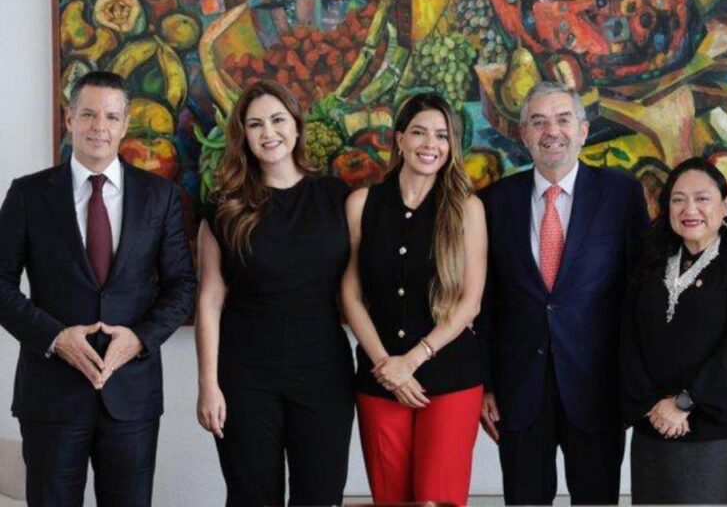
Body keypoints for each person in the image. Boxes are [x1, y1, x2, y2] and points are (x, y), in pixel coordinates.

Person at [0, 71, 196, 506]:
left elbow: (182, 285)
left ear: (125, 124)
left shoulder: (159, 196)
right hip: (51, 396)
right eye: (88, 114)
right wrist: (55, 338)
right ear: (70, 119)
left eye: (111, 117)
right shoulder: (28, 195)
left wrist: (140, 339)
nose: (99, 127)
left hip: (132, 397)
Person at [478, 81, 649, 505]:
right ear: (524, 134)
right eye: (538, 122)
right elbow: (485, 302)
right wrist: (485, 385)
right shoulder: (494, 202)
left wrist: (632, 385)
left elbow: (638, 295)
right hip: (519, 391)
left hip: (598, 389)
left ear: (583, 130)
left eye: (562, 119)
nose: (551, 131)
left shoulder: (621, 195)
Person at [194, 80, 354, 506]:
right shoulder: (225, 205)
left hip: (324, 374)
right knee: (252, 498)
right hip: (245, 377)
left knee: (320, 498)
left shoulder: (335, 196)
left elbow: (355, 289)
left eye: (278, 119)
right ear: (243, 135)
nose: (269, 132)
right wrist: (208, 384)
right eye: (255, 124)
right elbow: (209, 300)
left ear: (297, 126)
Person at [340, 93, 487, 504]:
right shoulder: (362, 204)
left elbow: (470, 302)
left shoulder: (467, 209)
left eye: (442, 136)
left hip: (451, 377)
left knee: (436, 499)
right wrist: (386, 366)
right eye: (420, 132)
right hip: (380, 378)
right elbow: (350, 295)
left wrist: (412, 361)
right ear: (400, 139)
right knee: (392, 499)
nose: (431, 144)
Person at [620, 157, 727, 504]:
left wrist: (685, 403)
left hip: (716, 435)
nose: (690, 209)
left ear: (725, 205)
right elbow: (627, 338)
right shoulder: (650, 260)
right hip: (653, 428)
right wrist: (653, 406)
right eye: (678, 199)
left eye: (702, 198)